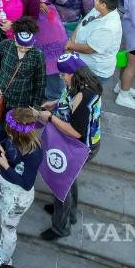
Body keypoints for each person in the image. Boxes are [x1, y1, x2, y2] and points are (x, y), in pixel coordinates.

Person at [38, 54, 102, 241]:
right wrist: (56, 104)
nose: (62, 78)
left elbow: (76, 132)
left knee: (62, 184)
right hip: (73, 143)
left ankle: (61, 227)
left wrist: (50, 118)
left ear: (75, 73)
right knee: (69, 181)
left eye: (64, 75)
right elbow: (69, 102)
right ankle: (69, 213)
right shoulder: (81, 83)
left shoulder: (85, 95)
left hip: (79, 146)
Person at [0, 107, 44, 268]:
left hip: (17, 198)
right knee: (3, 223)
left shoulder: (33, 152)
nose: (8, 132)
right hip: (6, 189)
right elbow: (7, 142)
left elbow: (27, 183)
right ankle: (1, 245)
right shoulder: (14, 137)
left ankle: (6, 259)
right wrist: (1, 145)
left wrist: (5, 164)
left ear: (20, 133)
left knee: (9, 228)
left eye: (10, 131)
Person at [0, 19, 47, 131]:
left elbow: (40, 83)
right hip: (2, 98)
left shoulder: (38, 55)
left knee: (17, 132)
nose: (23, 50)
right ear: (15, 40)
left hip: (21, 104)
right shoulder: (6, 45)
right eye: (20, 46)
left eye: (27, 48)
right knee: (1, 128)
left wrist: (36, 107)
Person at [65, 0, 123, 86]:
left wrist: (71, 46)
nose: (94, 0)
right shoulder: (98, 9)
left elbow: (90, 49)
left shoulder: (109, 27)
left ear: (104, 5)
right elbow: (82, 24)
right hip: (81, 63)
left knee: (86, 97)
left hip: (94, 71)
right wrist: (72, 43)